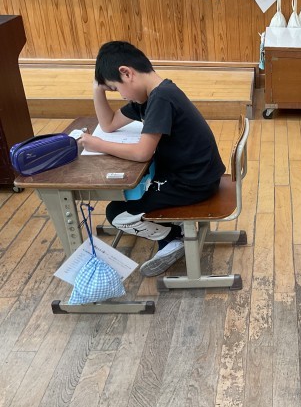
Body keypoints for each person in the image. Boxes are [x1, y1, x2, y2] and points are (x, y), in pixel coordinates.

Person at [77, 41, 226, 276]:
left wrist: (97, 144)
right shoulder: (150, 96)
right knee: (127, 197)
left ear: (127, 73)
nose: (121, 95)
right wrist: (98, 88)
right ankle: (170, 229)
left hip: (193, 184)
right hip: (193, 175)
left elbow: (142, 153)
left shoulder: (161, 99)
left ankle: (172, 237)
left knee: (116, 212)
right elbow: (108, 124)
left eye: (116, 89)